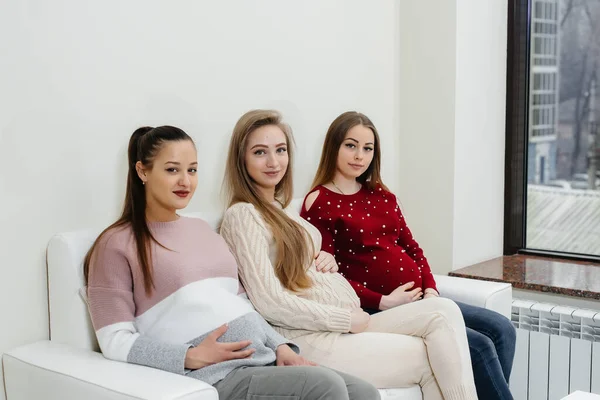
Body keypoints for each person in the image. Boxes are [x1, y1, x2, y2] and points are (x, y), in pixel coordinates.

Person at [83, 125, 379, 400]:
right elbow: (114, 339)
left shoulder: (201, 230)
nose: (185, 181)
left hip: (262, 359)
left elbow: (243, 304)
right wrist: (189, 356)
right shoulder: (116, 244)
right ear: (142, 171)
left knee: (364, 392)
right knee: (325, 386)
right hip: (216, 375)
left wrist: (280, 346)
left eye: (192, 170)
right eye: (172, 170)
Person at [220, 110, 478, 400]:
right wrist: (344, 318)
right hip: (308, 334)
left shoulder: (282, 210)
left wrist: (322, 260)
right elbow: (269, 301)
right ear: (241, 159)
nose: (273, 162)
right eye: (259, 152)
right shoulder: (242, 215)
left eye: (280, 150)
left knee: (444, 311)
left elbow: (302, 268)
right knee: (426, 357)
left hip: (345, 319)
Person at [301, 111, 516, 400]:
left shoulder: (381, 194)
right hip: (381, 307)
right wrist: (383, 301)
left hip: (424, 301)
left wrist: (430, 288)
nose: (359, 156)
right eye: (350, 146)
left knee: (502, 329)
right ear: (334, 147)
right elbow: (329, 277)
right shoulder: (320, 201)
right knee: (479, 347)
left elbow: (412, 248)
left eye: (368, 148)